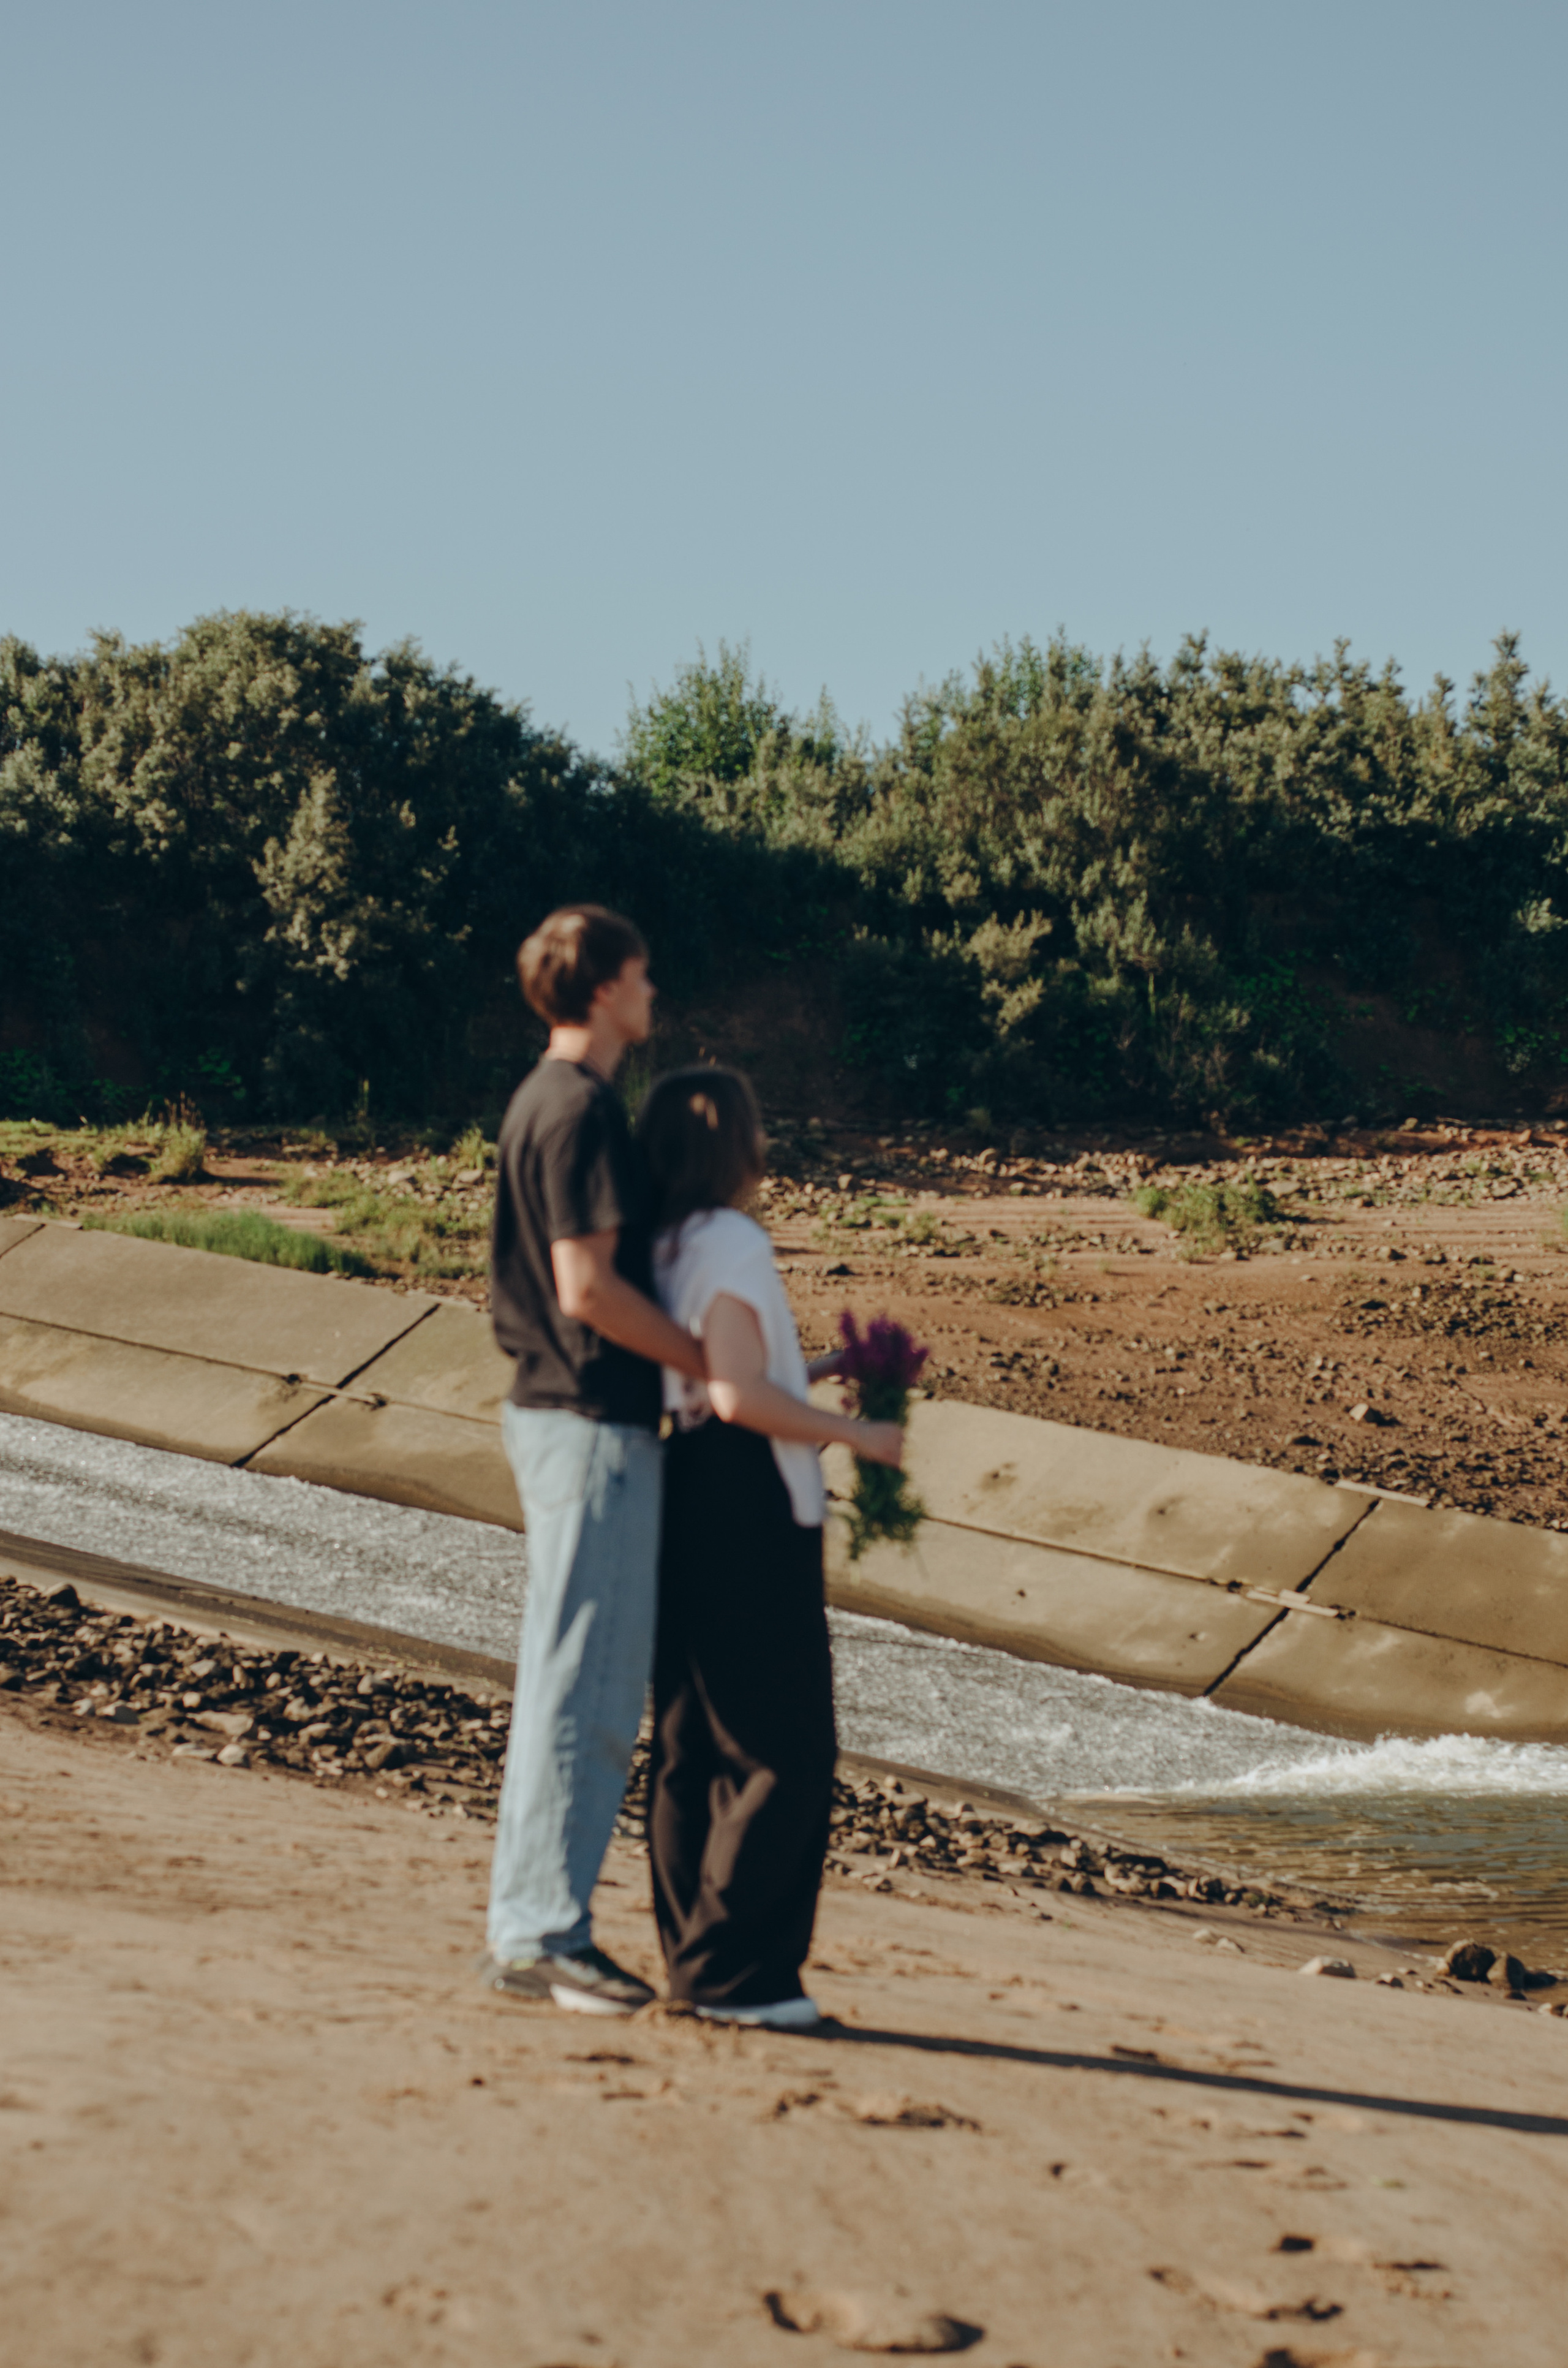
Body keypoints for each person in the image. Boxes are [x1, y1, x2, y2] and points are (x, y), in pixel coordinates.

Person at [638, 1066, 905, 2030]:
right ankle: (739, 1977)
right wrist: (862, 1436)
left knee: (689, 1742)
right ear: (736, 1149)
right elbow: (740, 1398)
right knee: (782, 1746)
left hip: (673, 1486)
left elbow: (722, 1369)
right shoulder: (735, 1239)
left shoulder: (657, 1240)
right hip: (746, 1500)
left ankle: (694, 1960)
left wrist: (824, 1366)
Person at [480, 905, 706, 2018]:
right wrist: (706, 1359)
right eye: (645, 971)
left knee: (568, 1677)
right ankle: (545, 1932)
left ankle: (534, 1924)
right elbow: (589, 1291)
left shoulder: (545, 1100)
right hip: (590, 1425)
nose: (654, 991)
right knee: (589, 1684)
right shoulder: (577, 1110)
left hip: (562, 1418)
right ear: (609, 983)